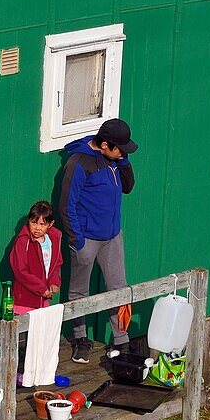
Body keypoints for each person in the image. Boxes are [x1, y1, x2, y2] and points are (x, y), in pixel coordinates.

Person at [59, 118, 137, 364]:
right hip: (87, 238)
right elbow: (66, 205)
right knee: (79, 291)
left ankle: (121, 340)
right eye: (120, 149)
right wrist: (78, 242)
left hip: (112, 237)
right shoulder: (78, 163)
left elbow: (128, 187)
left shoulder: (115, 160)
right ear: (104, 144)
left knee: (119, 289)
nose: (123, 152)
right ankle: (81, 339)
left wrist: (123, 160)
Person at [9, 200, 63, 315]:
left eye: (42, 224)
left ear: (50, 224)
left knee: (40, 332)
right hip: (23, 303)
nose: (37, 228)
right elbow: (20, 271)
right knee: (24, 332)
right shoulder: (23, 241)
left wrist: (54, 282)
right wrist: (41, 289)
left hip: (43, 302)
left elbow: (56, 263)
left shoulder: (53, 239)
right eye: (33, 223)